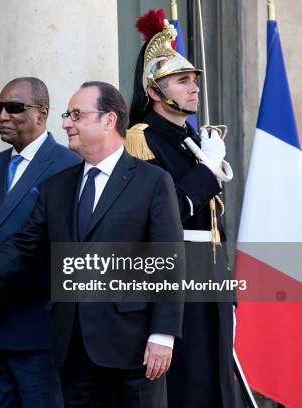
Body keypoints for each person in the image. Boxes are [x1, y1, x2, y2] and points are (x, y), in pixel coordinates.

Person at [0, 81, 184, 407]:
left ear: (109, 120)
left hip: (133, 348)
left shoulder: (151, 181)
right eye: (67, 115)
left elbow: (168, 261)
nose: (66, 122)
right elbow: (23, 245)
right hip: (72, 350)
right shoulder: (59, 185)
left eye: (76, 115)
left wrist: (163, 335)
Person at [127, 9, 236, 407]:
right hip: (177, 274)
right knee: (188, 384)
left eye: (194, 80)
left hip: (209, 274)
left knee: (217, 382)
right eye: (182, 81)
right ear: (155, 91)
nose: (194, 89)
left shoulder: (191, 138)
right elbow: (169, 209)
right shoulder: (141, 140)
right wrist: (208, 170)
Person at [0, 77, 80, 408]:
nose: (2, 116)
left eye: (14, 108)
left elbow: (60, 249)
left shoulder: (68, 165)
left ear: (42, 114)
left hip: (39, 328)